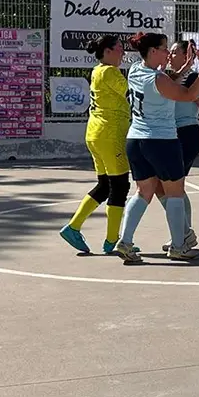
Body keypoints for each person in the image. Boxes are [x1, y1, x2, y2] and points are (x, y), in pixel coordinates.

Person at [113, 32, 199, 264]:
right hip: (161, 141)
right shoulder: (157, 79)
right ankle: (178, 246)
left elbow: (168, 81)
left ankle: (125, 241)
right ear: (153, 51)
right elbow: (189, 94)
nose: (168, 52)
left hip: (136, 139)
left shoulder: (136, 70)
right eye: (165, 48)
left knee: (143, 192)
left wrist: (185, 68)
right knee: (175, 193)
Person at [60, 36, 136, 255]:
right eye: (120, 48)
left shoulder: (97, 71)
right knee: (120, 186)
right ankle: (112, 240)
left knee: (105, 185)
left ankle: (74, 227)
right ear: (108, 51)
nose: (123, 53)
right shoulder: (110, 72)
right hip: (110, 135)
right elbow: (132, 92)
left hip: (96, 133)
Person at [154, 39, 199, 253]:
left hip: (186, 133)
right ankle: (183, 232)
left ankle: (182, 235)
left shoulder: (195, 78)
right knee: (160, 186)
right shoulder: (168, 77)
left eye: (174, 52)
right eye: (168, 52)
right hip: (167, 134)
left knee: (174, 186)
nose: (169, 55)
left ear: (187, 55)